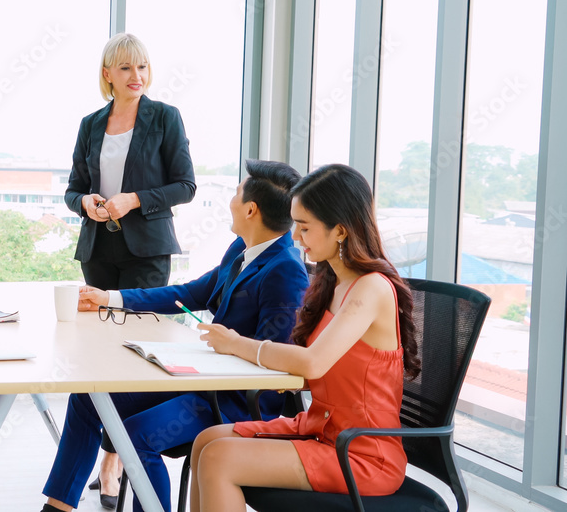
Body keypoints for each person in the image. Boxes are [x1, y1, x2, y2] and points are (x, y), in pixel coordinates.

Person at [41, 160, 310, 512]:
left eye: (235, 193)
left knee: (137, 435)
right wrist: (110, 298)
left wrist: (225, 347)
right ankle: (57, 507)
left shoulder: (286, 270)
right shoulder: (241, 250)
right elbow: (190, 293)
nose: (230, 200)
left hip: (236, 401)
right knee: (88, 397)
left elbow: (275, 359)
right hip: (205, 379)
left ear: (251, 209)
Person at [190, 164, 422, 512]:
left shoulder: (371, 287)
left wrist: (237, 343)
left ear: (340, 230)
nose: (295, 236)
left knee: (219, 458)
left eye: (304, 227)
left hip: (361, 452)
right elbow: (319, 370)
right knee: (205, 441)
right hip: (323, 429)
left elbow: (314, 361)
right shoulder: (331, 282)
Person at [63, 32, 196, 506]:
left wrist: (133, 199)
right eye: (125, 69)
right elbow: (73, 188)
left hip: (146, 252)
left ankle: (115, 457)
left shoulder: (165, 118)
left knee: (133, 352)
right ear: (108, 75)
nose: (136, 76)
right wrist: (88, 203)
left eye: (142, 67)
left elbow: (186, 185)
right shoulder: (91, 124)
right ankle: (110, 454)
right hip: (99, 248)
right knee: (99, 351)